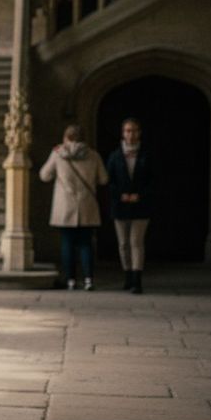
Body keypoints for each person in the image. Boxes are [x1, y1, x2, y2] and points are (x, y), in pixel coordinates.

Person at [39, 124, 108, 291]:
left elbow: (44, 175)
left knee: (67, 244)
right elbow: (104, 179)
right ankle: (88, 280)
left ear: (66, 138)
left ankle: (70, 280)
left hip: (65, 207)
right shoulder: (93, 156)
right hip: (87, 205)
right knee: (86, 244)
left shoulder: (57, 154)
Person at [106, 118, 151, 294]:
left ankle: (137, 280)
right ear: (122, 133)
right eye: (127, 131)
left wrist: (140, 195)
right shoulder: (115, 156)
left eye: (133, 131)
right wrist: (120, 195)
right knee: (123, 243)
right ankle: (127, 276)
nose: (130, 134)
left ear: (139, 133)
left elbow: (152, 181)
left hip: (141, 205)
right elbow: (109, 181)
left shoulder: (147, 155)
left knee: (136, 242)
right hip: (120, 205)